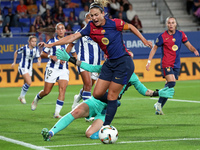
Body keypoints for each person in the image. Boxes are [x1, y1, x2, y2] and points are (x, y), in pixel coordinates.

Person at [38, 0, 152, 126]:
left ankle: (106, 126)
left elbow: (130, 26)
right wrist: (51, 44)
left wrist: (144, 40)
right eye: (92, 16)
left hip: (123, 61)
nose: (94, 18)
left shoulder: (114, 23)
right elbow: (72, 37)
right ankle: (112, 103)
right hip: (109, 63)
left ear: (103, 13)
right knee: (97, 94)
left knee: (112, 95)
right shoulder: (90, 27)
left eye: (96, 15)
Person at [40, 49, 174, 141]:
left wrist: (158, 93)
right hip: (95, 101)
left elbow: (144, 91)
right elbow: (89, 67)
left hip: (107, 109)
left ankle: (109, 134)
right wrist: (70, 59)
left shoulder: (131, 76)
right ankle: (51, 133)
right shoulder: (107, 67)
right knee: (75, 112)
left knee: (89, 134)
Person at [146, 16, 199, 115]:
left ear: (176, 24)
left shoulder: (181, 34)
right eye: (169, 23)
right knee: (172, 83)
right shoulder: (162, 36)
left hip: (176, 64)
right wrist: (149, 61)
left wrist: (194, 50)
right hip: (166, 63)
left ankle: (159, 105)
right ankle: (158, 98)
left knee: (169, 87)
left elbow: (189, 45)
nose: (171, 24)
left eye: (173, 22)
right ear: (167, 24)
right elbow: (154, 48)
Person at [31, 23, 77, 118]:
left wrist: (76, 63)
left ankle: (56, 113)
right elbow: (42, 54)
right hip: (52, 68)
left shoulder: (69, 42)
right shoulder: (51, 41)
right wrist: (50, 56)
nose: (60, 30)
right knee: (46, 91)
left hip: (64, 69)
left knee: (62, 90)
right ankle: (36, 98)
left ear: (65, 30)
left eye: (62, 28)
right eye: (59, 29)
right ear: (56, 31)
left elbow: (74, 54)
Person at [71, 12, 102, 112]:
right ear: (85, 20)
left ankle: (78, 97)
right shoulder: (80, 31)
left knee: (89, 86)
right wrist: (68, 56)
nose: (91, 19)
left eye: (92, 17)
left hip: (95, 63)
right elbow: (71, 44)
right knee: (88, 84)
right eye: (89, 18)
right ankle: (87, 112)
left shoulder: (99, 30)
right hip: (83, 61)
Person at [11, 36, 41, 104]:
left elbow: (39, 57)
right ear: (29, 42)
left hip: (30, 68)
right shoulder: (24, 48)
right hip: (23, 66)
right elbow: (16, 52)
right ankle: (22, 97)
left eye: (35, 41)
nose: (34, 43)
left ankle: (20, 97)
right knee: (29, 82)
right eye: (32, 41)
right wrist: (14, 62)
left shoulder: (36, 49)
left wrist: (39, 61)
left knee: (26, 83)